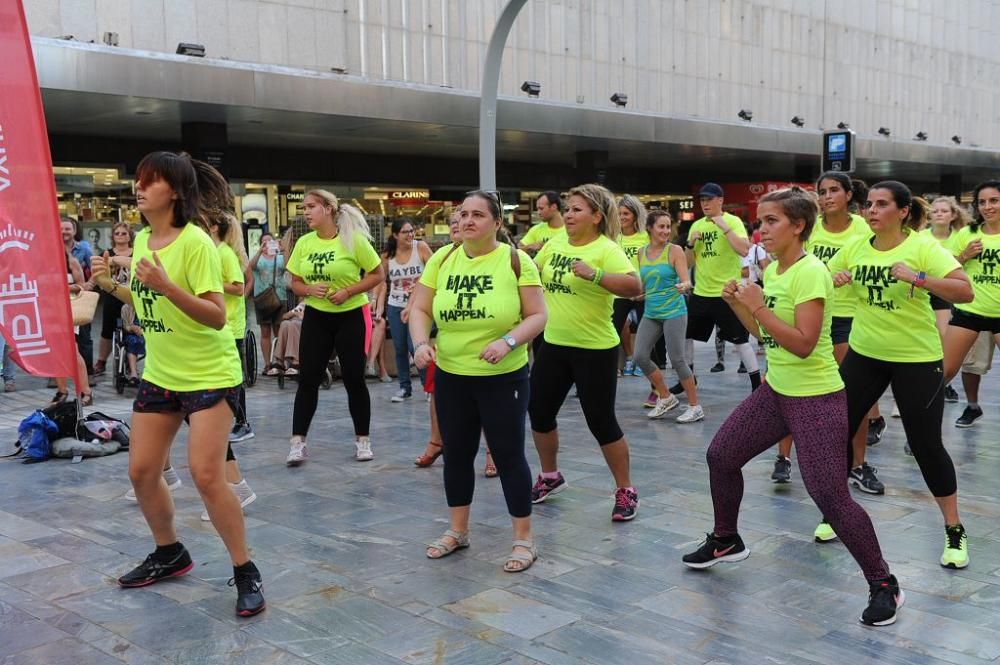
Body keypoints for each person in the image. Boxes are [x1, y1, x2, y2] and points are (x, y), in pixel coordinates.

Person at [681, 186, 903, 627]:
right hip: (777, 391)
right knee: (721, 456)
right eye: (759, 221)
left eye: (770, 221)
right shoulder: (777, 270)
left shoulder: (810, 272)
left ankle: (884, 584)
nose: (760, 229)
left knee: (829, 494)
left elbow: (802, 344)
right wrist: (741, 304)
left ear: (798, 226)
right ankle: (726, 539)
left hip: (816, 397)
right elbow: (767, 338)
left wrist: (758, 306)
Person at [91, 151, 264, 617]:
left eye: (151, 180)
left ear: (176, 192)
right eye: (139, 178)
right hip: (162, 374)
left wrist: (167, 286)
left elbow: (214, 314)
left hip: (210, 375)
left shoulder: (197, 244)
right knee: (142, 472)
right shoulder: (146, 238)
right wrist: (111, 285)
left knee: (207, 476)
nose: (139, 186)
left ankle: (245, 568)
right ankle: (170, 552)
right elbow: (150, 307)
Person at [829, 180, 973, 569]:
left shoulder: (923, 247)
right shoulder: (856, 247)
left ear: (903, 211)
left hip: (916, 358)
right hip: (865, 353)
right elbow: (823, 281)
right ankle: (834, 511)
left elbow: (965, 291)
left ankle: (954, 528)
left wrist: (918, 278)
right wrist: (834, 278)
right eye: (869, 205)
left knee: (926, 446)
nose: (871, 211)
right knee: (840, 428)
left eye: (881, 205)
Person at [409, 190, 546, 571]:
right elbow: (419, 307)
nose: (467, 221)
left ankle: (523, 539)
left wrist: (508, 341)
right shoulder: (443, 258)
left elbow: (537, 315)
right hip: (453, 375)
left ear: (496, 224)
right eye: (463, 214)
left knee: (508, 455)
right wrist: (421, 343)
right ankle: (457, 530)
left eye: (478, 215)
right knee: (457, 453)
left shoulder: (516, 261)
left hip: (503, 377)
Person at [529, 183, 643, 521]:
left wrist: (595, 275)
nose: (568, 214)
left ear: (596, 216)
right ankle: (550, 476)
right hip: (553, 343)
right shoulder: (555, 243)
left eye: (577, 210)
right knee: (539, 413)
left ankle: (626, 490)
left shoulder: (607, 249)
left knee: (601, 421)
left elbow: (635, 286)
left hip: (594, 349)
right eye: (567, 209)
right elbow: (533, 274)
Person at [771, 172, 879, 506]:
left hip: (848, 318)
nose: (828, 196)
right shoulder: (808, 226)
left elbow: (877, 260)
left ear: (849, 195)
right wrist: (824, 278)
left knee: (850, 397)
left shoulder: (862, 229)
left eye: (834, 190)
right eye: (822, 191)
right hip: (806, 312)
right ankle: (783, 458)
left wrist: (853, 274)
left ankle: (858, 465)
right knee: (788, 385)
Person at [284, 190, 385, 465]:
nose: (305, 212)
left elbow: (378, 274)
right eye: (303, 207)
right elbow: (294, 282)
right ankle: (297, 443)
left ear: (328, 208)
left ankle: (363, 441)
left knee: (354, 379)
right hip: (317, 316)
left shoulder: (354, 240)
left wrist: (349, 291)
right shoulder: (304, 242)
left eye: (311, 206)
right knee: (307, 379)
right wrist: (307, 289)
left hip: (351, 315)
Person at [681, 183, 759, 393]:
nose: (705, 203)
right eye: (702, 200)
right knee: (687, 336)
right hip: (701, 293)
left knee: (740, 339)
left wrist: (724, 227)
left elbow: (744, 250)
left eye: (709, 199)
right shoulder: (697, 225)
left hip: (726, 294)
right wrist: (689, 244)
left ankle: (756, 383)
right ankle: (688, 379)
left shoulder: (733, 222)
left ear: (720, 200)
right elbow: (688, 263)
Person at [632, 210, 701, 422]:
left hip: (674, 311)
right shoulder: (641, 253)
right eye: (661, 227)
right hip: (652, 312)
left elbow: (686, 280)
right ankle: (665, 397)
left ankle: (694, 406)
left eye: (668, 227)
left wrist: (685, 286)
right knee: (640, 356)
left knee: (678, 360)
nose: (665, 231)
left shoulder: (675, 250)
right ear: (650, 228)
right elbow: (644, 283)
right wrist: (637, 294)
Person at [942, 181, 1000, 431]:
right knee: (944, 371)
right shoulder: (968, 233)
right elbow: (944, 266)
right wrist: (964, 256)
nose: (987, 206)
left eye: (994, 200)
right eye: (982, 202)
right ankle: (922, 430)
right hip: (970, 311)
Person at [382, 218, 433, 401]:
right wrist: (376, 302)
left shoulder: (420, 248)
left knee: (416, 346)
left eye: (412, 231)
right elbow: (380, 279)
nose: (411, 235)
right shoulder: (388, 255)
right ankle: (405, 388)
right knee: (400, 348)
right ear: (395, 235)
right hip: (395, 306)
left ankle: (428, 387)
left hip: (419, 307)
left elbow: (435, 270)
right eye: (406, 232)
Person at [926, 196, 969, 404]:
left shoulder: (960, 238)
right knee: (925, 334)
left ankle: (944, 380)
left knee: (944, 336)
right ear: (929, 216)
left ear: (953, 215)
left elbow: (964, 268)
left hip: (946, 292)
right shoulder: (921, 237)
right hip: (922, 289)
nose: (940, 214)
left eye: (944, 211)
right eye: (935, 211)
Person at [53, 251, 94, 406]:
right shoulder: (42, 261)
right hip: (50, 311)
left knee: (73, 351)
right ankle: (62, 391)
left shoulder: (71, 261)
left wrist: (64, 287)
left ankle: (86, 392)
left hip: (68, 311)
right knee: (56, 352)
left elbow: (83, 287)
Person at [94, 222, 134, 375]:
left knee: (133, 329)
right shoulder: (107, 253)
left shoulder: (136, 253)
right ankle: (101, 361)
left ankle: (132, 361)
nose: (120, 236)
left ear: (130, 235)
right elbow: (97, 273)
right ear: (113, 236)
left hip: (130, 296)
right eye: (117, 233)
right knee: (106, 330)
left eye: (124, 233)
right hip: (112, 295)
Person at [62, 217, 95, 378]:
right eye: (61, 228)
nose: (64, 232)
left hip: (79, 298)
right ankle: (58, 376)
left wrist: (88, 285)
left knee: (83, 338)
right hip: (59, 302)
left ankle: (88, 373)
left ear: (74, 231)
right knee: (59, 338)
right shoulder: (50, 249)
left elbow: (95, 269)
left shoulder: (83, 249)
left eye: (68, 229)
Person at [249, 233, 287, 374]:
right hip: (263, 298)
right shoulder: (258, 258)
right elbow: (249, 267)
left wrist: (283, 249)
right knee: (265, 332)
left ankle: (279, 361)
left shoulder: (280, 257)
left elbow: (289, 267)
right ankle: (267, 363)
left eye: (269, 240)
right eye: (264, 241)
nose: (267, 243)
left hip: (280, 297)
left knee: (279, 331)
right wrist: (259, 251)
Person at [267, 302, 304, 374]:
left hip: (308, 328)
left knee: (294, 323)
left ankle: (297, 362)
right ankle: (279, 362)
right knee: (284, 324)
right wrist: (294, 313)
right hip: (296, 327)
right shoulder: (304, 304)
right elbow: (284, 316)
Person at [120, 302, 144, 385]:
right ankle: (133, 374)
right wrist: (132, 328)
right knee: (132, 341)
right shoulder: (127, 307)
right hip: (132, 334)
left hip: (151, 334)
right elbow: (125, 326)